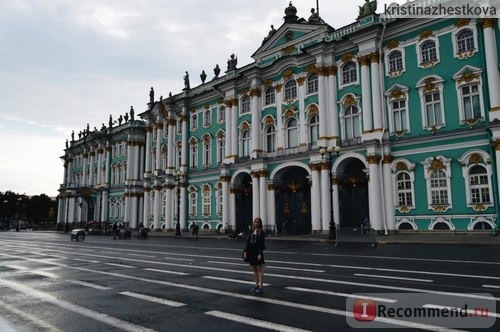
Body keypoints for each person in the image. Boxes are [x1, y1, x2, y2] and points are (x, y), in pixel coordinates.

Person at [242, 217, 266, 294]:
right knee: (254, 270)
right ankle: (256, 285)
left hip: (257, 252)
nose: (256, 223)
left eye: (258, 222)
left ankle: (261, 287)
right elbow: (248, 242)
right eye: (255, 222)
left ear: (260, 223)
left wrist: (259, 253)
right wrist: (245, 251)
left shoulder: (262, 232)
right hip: (251, 252)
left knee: (259, 270)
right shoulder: (251, 231)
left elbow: (261, 244)